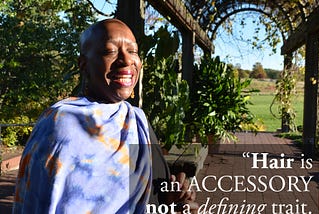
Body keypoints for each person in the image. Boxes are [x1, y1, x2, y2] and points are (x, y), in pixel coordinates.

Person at [13, 18, 198, 213]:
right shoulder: (61, 124)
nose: (126, 60)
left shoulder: (138, 121)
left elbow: (153, 197)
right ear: (83, 65)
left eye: (133, 51)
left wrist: (173, 201)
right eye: (110, 51)